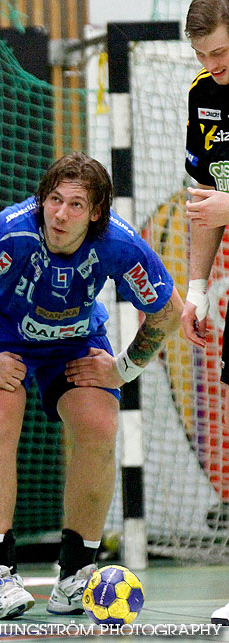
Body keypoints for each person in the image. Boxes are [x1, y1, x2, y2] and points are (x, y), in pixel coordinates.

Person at [0, 152, 183, 619]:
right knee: (0, 416)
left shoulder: (118, 244)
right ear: (42, 200)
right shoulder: (12, 231)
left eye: (76, 204)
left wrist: (123, 368)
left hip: (73, 336)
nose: (61, 214)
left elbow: (168, 312)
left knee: (100, 426)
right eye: (54, 200)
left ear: (97, 212)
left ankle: (76, 575)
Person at [182, 0, 229, 531]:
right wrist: (196, 289)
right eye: (201, 54)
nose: (212, 63)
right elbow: (205, 196)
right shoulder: (203, 92)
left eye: (219, 51)